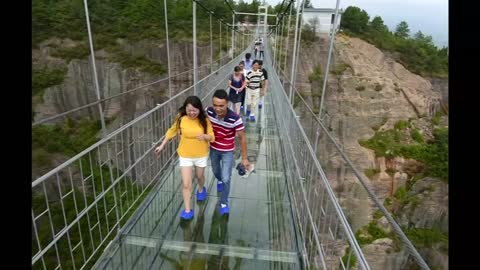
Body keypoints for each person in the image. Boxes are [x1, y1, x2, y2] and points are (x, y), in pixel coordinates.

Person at [155, 96, 214, 220]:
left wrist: (205, 137)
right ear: (185, 109)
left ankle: (201, 189)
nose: (192, 113)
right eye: (189, 110)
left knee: (199, 176)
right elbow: (172, 131)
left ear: (199, 109)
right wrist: (162, 145)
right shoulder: (181, 118)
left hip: (201, 154)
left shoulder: (205, 120)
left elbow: (212, 136)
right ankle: (188, 209)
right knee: (186, 184)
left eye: (195, 110)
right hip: (185, 154)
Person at [206, 89, 251, 215]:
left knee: (226, 177)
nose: (217, 109)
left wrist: (245, 158)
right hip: (214, 148)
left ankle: (224, 202)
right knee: (216, 172)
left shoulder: (235, 118)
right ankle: (221, 180)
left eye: (221, 106)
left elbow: (242, 137)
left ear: (227, 104)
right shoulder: (209, 111)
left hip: (227, 151)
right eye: (215, 105)